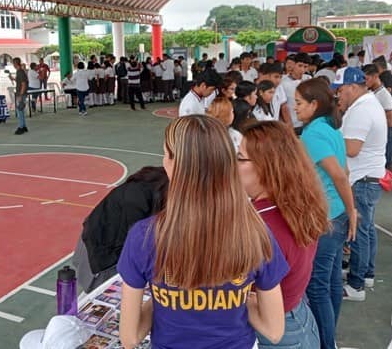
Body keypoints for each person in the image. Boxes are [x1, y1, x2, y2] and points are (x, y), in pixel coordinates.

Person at [118, 115, 288, 349]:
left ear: (174, 164)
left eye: (166, 154)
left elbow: (129, 338)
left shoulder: (144, 236)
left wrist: (159, 302)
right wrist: (237, 301)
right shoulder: (256, 232)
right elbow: (274, 330)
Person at [238, 121, 328, 348]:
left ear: (264, 167)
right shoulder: (298, 204)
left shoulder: (258, 226)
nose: (233, 165)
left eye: (240, 158)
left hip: (272, 329)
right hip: (299, 316)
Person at [295, 78, 358, 349]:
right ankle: (329, 338)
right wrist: (350, 210)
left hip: (327, 216)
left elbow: (339, 176)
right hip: (337, 212)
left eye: (299, 103)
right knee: (331, 281)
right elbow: (343, 172)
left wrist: (353, 211)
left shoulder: (313, 134)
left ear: (314, 104)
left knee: (317, 286)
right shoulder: (328, 127)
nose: (294, 108)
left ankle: (325, 343)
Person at [332, 67, 387, 302]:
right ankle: (366, 272)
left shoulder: (362, 110)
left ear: (353, 87)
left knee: (359, 231)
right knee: (367, 229)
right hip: (369, 177)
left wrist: (327, 143)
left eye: (341, 90)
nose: (338, 96)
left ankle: (356, 285)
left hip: (362, 179)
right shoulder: (365, 104)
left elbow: (352, 149)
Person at [74, 166, 168, 292]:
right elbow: (137, 247)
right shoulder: (139, 198)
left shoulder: (158, 185)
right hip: (102, 249)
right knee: (106, 293)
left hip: (111, 243)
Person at [363, 64, 392, 169]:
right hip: (374, 131)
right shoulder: (371, 92)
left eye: (367, 79)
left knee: (385, 155)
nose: (365, 82)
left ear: (376, 76)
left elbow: (390, 122)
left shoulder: (384, 95)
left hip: (383, 131)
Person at [280, 53, 311, 134]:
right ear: (293, 65)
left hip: (307, 123)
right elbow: (283, 106)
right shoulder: (283, 82)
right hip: (292, 124)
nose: (302, 70)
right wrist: (289, 125)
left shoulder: (309, 79)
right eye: (300, 66)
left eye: (305, 67)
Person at [13, 57, 28, 134]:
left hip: (21, 94)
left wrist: (21, 95)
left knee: (19, 110)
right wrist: (12, 78)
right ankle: (24, 126)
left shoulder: (20, 72)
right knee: (21, 110)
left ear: (15, 63)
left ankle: (21, 127)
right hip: (21, 93)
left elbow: (23, 84)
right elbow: (19, 81)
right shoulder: (19, 72)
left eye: (13, 63)